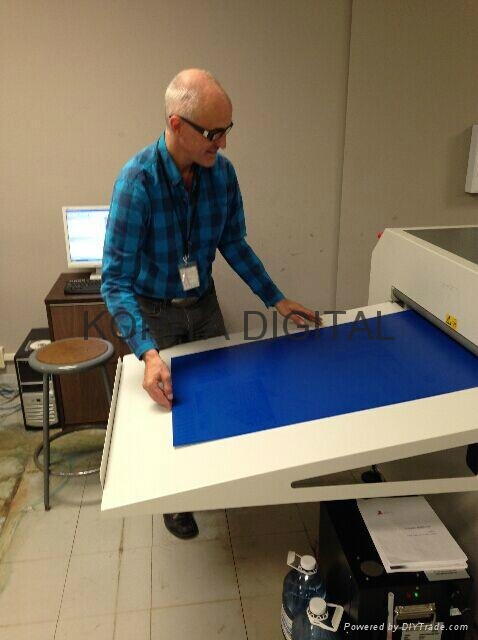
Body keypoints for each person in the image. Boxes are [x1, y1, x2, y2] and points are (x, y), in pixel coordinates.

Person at [101, 69, 319, 539]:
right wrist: (148, 353)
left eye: (227, 130)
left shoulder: (222, 175)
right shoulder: (135, 184)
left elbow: (232, 242)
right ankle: (175, 501)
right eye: (213, 133)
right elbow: (115, 281)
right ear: (177, 125)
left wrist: (276, 299)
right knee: (168, 412)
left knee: (218, 395)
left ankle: (212, 480)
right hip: (154, 310)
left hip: (202, 305)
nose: (223, 143)